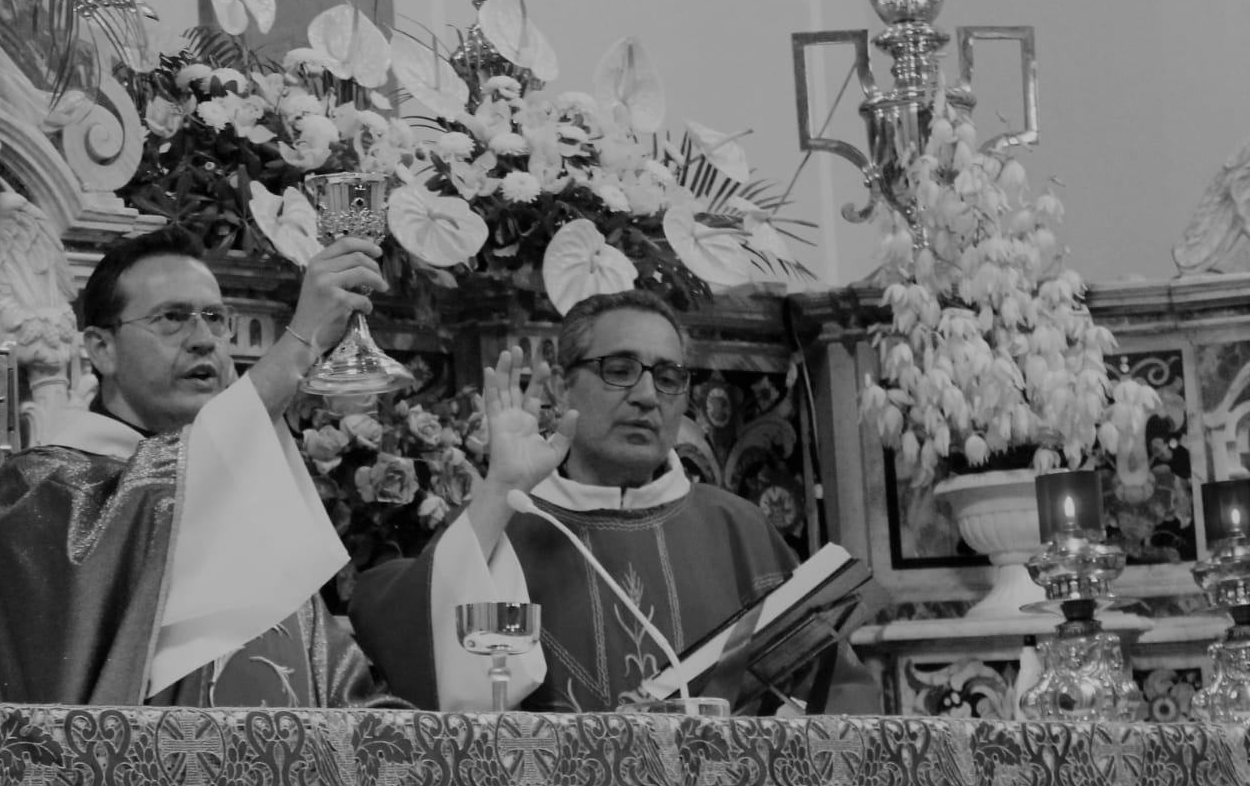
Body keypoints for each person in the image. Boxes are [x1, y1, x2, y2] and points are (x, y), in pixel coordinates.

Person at [348, 289, 880, 714]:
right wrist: (499, 488)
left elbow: (836, 687)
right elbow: (411, 648)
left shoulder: (737, 527)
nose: (647, 396)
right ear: (561, 387)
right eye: (620, 370)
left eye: (668, 377)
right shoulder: (507, 524)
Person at [0, 228, 404, 708]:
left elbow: (339, 693)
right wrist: (299, 344)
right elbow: (158, 502)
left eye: (215, 319)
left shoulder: (243, 498)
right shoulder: (38, 488)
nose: (203, 340)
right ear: (101, 348)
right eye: (172, 318)